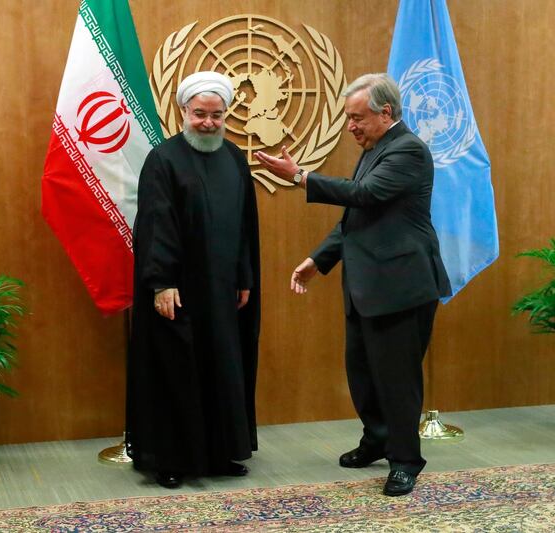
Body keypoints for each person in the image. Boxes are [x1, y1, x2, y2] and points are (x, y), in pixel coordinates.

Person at [255, 73, 450, 497]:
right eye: (348, 118)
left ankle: (405, 460)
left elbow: (363, 195)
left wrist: (300, 176)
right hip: (366, 286)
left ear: (386, 112)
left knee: (397, 379)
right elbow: (355, 219)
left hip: (402, 287)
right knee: (362, 373)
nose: (351, 127)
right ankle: (377, 439)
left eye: (357, 118)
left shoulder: (409, 150)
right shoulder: (375, 149)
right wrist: (317, 260)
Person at [126, 71, 261, 489]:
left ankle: (220, 452)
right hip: (178, 289)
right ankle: (171, 458)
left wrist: (244, 276)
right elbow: (155, 224)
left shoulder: (235, 158)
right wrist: (161, 282)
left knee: (221, 366)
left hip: (222, 290)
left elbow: (244, 226)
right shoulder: (164, 160)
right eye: (200, 114)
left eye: (216, 115)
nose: (208, 122)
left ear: (226, 115)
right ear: (183, 112)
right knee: (176, 370)